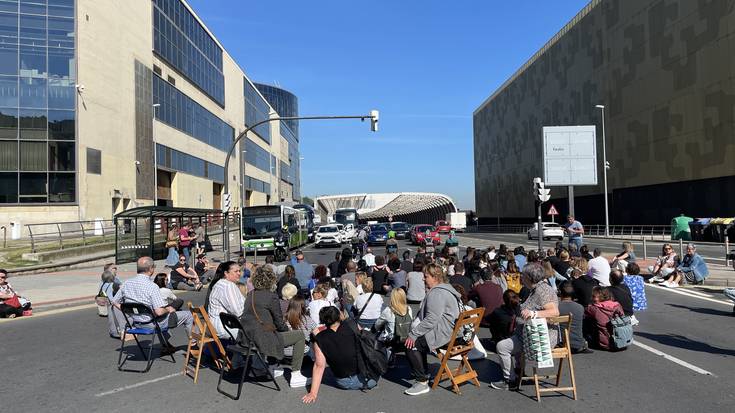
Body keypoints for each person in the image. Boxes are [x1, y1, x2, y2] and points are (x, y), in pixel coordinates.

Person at [491, 263, 559, 390]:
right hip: (531, 334)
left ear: (529, 277)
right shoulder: (538, 289)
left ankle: (509, 380)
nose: (521, 277)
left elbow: (554, 312)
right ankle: (519, 371)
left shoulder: (542, 290)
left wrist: (534, 313)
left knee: (502, 347)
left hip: (539, 338)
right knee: (513, 339)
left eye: (523, 275)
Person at [241, 265, 308, 388]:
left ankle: (273, 366)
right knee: (299, 335)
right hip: (262, 338)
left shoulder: (250, 294)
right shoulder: (271, 296)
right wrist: (288, 331)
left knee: (271, 330)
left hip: (247, 336)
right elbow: (279, 323)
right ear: (271, 280)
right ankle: (296, 374)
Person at [111, 257, 193, 354]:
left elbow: (114, 301)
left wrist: (126, 310)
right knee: (188, 315)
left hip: (137, 323)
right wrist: (168, 309)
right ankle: (194, 346)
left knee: (158, 316)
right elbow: (159, 312)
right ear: (151, 269)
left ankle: (166, 346)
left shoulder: (127, 283)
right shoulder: (152, 287)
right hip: (152, 324)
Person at [403, 263, 462, 396]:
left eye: (426, 276)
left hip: (445, 334)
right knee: (418, 340)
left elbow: (431, 319)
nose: (423, 279)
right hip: (453, 331)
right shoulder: (447, 288)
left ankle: (422, 381)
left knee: (410, 344)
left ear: (435, 277)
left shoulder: (437, 293)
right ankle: (423, 371)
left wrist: (413, 334)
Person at [302, 306, 378, 403]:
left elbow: (319, 366)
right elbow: (366, 341)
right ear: (338, 316)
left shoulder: (320, 338)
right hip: (364, 375)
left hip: (343, 381)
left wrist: (313, 393)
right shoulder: (352, 326)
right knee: (385, 356)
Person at [206, 261, 245, 339]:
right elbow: (238, 312)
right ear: (226, 273)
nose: (239, 273)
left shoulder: (218, 284)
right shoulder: (228, 286)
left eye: (239, 271)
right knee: (258, 329)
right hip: (224, 327)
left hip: (213, 325)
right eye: (235, 271)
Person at [374, 288, 413, 361]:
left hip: (393, 340)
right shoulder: (409, 309)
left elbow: (377, 325)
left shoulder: (388, 311)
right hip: (406, 338)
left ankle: (385, 358)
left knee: (378, 335)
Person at [584, 287, 624, 351]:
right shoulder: (616, 305)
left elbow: (584, 312)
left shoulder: (594, 308)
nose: (592, 298)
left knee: (586, 319)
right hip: (621, 340)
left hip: (605, 344)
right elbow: (622, 315)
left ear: (600, 297)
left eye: (593, 296)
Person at [557, 281, 591, 354]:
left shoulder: (556, 308)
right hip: (578, 345)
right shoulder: (580, 307)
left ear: (559, 292)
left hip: (562, 345)